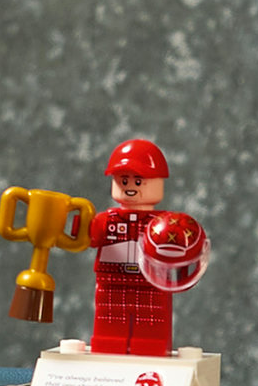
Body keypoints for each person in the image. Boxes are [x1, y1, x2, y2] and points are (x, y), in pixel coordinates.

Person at [87, 138, 207, 355]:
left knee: (151, 319)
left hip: (151, 282)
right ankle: (108, 344)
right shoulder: (106, 220)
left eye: (138, 181)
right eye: (124, 180)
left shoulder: (166, 224)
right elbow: (89, 239)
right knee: (109, 317)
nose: (130, 187)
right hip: (111, 280)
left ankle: (150, 346)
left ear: (158, 183)